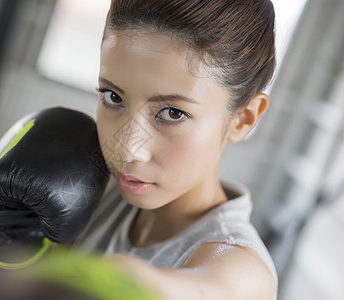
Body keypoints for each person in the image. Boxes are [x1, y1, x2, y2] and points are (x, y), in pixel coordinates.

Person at [72, 0, 278, 299]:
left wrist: (122, 280)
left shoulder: (243, 270)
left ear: (242, 120)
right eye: (113, 96)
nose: (128, 150)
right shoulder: (91, 192)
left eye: (172, 113)